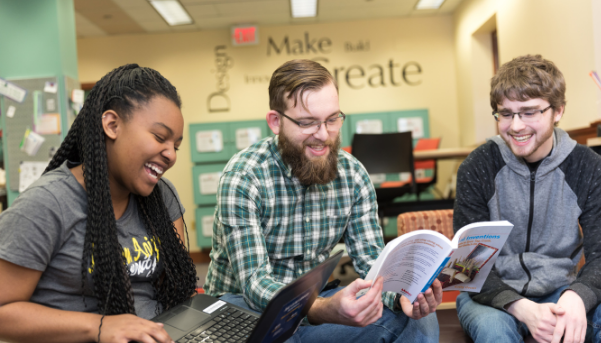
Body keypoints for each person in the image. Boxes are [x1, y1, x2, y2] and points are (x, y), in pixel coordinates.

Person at [203, 59, 441, 342]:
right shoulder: (243, 176)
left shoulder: (352, 174)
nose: (323, 135)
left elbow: (370, 261)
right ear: (276, 121)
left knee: (415, 318)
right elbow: (255, 284)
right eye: (307, 122)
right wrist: (323, 309)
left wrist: (403, 294)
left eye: (332, 119)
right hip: (243, 307)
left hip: (316, 301)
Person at [0, 64, 198, 343]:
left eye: (175, 145)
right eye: (159, 137)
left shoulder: (162, 196)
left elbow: (178, 286)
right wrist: (100, 326)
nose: (170, 154)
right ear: (112, 125)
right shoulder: (47, 204)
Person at [454, 54, 601, 343]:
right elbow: (466, 268)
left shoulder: (590, 167)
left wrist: (577, 297)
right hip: (492, 298)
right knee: (494, 334)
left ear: (558, 111)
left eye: (529, 112)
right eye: (506, 113)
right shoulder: (477, 167)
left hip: (563, 289)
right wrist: (521, 308)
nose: (516, 126)